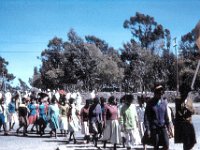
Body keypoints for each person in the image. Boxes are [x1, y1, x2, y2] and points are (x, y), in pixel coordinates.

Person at [144, 84, 170, 150]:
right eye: (159, 93)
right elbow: (146, 116)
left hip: (162, 127)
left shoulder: (163, 102)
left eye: (161, 94)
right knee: (156, 145)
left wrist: (168, 126)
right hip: (154, 128)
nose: (160, 95)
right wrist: (148, 128)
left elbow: (166, 115)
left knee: (166, 145)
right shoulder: (150, 103)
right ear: (155, 93)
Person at [175, 84, 196, 150]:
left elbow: (193, 111)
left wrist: (189, 109)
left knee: (192, 142)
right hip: (182, 124)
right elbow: (178, 112)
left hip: (189, 123)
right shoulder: (178, 100)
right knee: (186, 142)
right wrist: (183, 112)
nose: (186, 93)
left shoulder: (189, 100)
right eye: (184, 92)